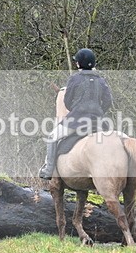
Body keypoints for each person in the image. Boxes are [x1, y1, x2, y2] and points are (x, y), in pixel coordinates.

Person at [38, 48, 113, 180]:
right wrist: (99, 112)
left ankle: (48, 169)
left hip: (77, 121)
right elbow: (108, 101)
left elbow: (67, 101)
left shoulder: (75, 79)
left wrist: (75, 109)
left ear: (79, 64)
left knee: (52, 137)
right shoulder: (101, 81)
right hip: (98, 122)